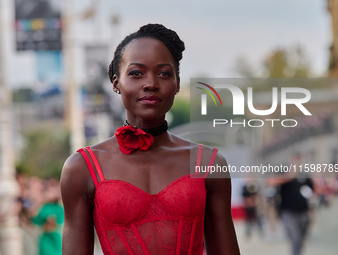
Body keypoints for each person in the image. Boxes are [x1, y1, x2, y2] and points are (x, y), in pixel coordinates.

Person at [60, 23, 240, 255]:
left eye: (164, 73)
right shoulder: (82, 167)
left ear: (177, 84)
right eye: (136, 73)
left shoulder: (208, 163)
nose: (151, 84)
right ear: (116, 82)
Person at [267, 153, 314, 255]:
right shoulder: (284, 173)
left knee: (301, 238)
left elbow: (312, 191)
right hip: (288, 212)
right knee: (295, 238)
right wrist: (290, 176)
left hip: (303, 212)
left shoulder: (305, 175)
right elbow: (271, 181)